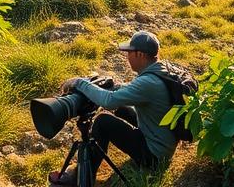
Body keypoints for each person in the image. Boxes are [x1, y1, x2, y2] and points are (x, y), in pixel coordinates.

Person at [49, 30, 177, 186]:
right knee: (122, 108)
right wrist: (113, 87)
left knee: (103, 122)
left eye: (129, 52)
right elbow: (131, 92)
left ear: (140, 55)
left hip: (156, 155)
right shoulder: (160, 69)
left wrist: (79, 82)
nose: (126, 57)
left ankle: (82, 177)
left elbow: (109, 102)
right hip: (165, 140)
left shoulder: (148, 83)